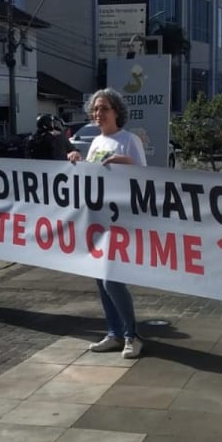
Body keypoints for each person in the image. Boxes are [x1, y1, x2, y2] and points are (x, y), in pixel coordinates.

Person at [67, 88, 147, 359]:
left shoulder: (128, 140)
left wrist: (126, 162)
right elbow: (92, 177)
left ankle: (132, 335)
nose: (98, 113)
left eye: (104, 108)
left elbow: (145, 177)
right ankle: (114, 333)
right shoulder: (96, 142)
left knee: (112, 280)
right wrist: (78, 162)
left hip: (121, 220)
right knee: (100, 280)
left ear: (116, 112)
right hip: (98, 220)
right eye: (95, 109)